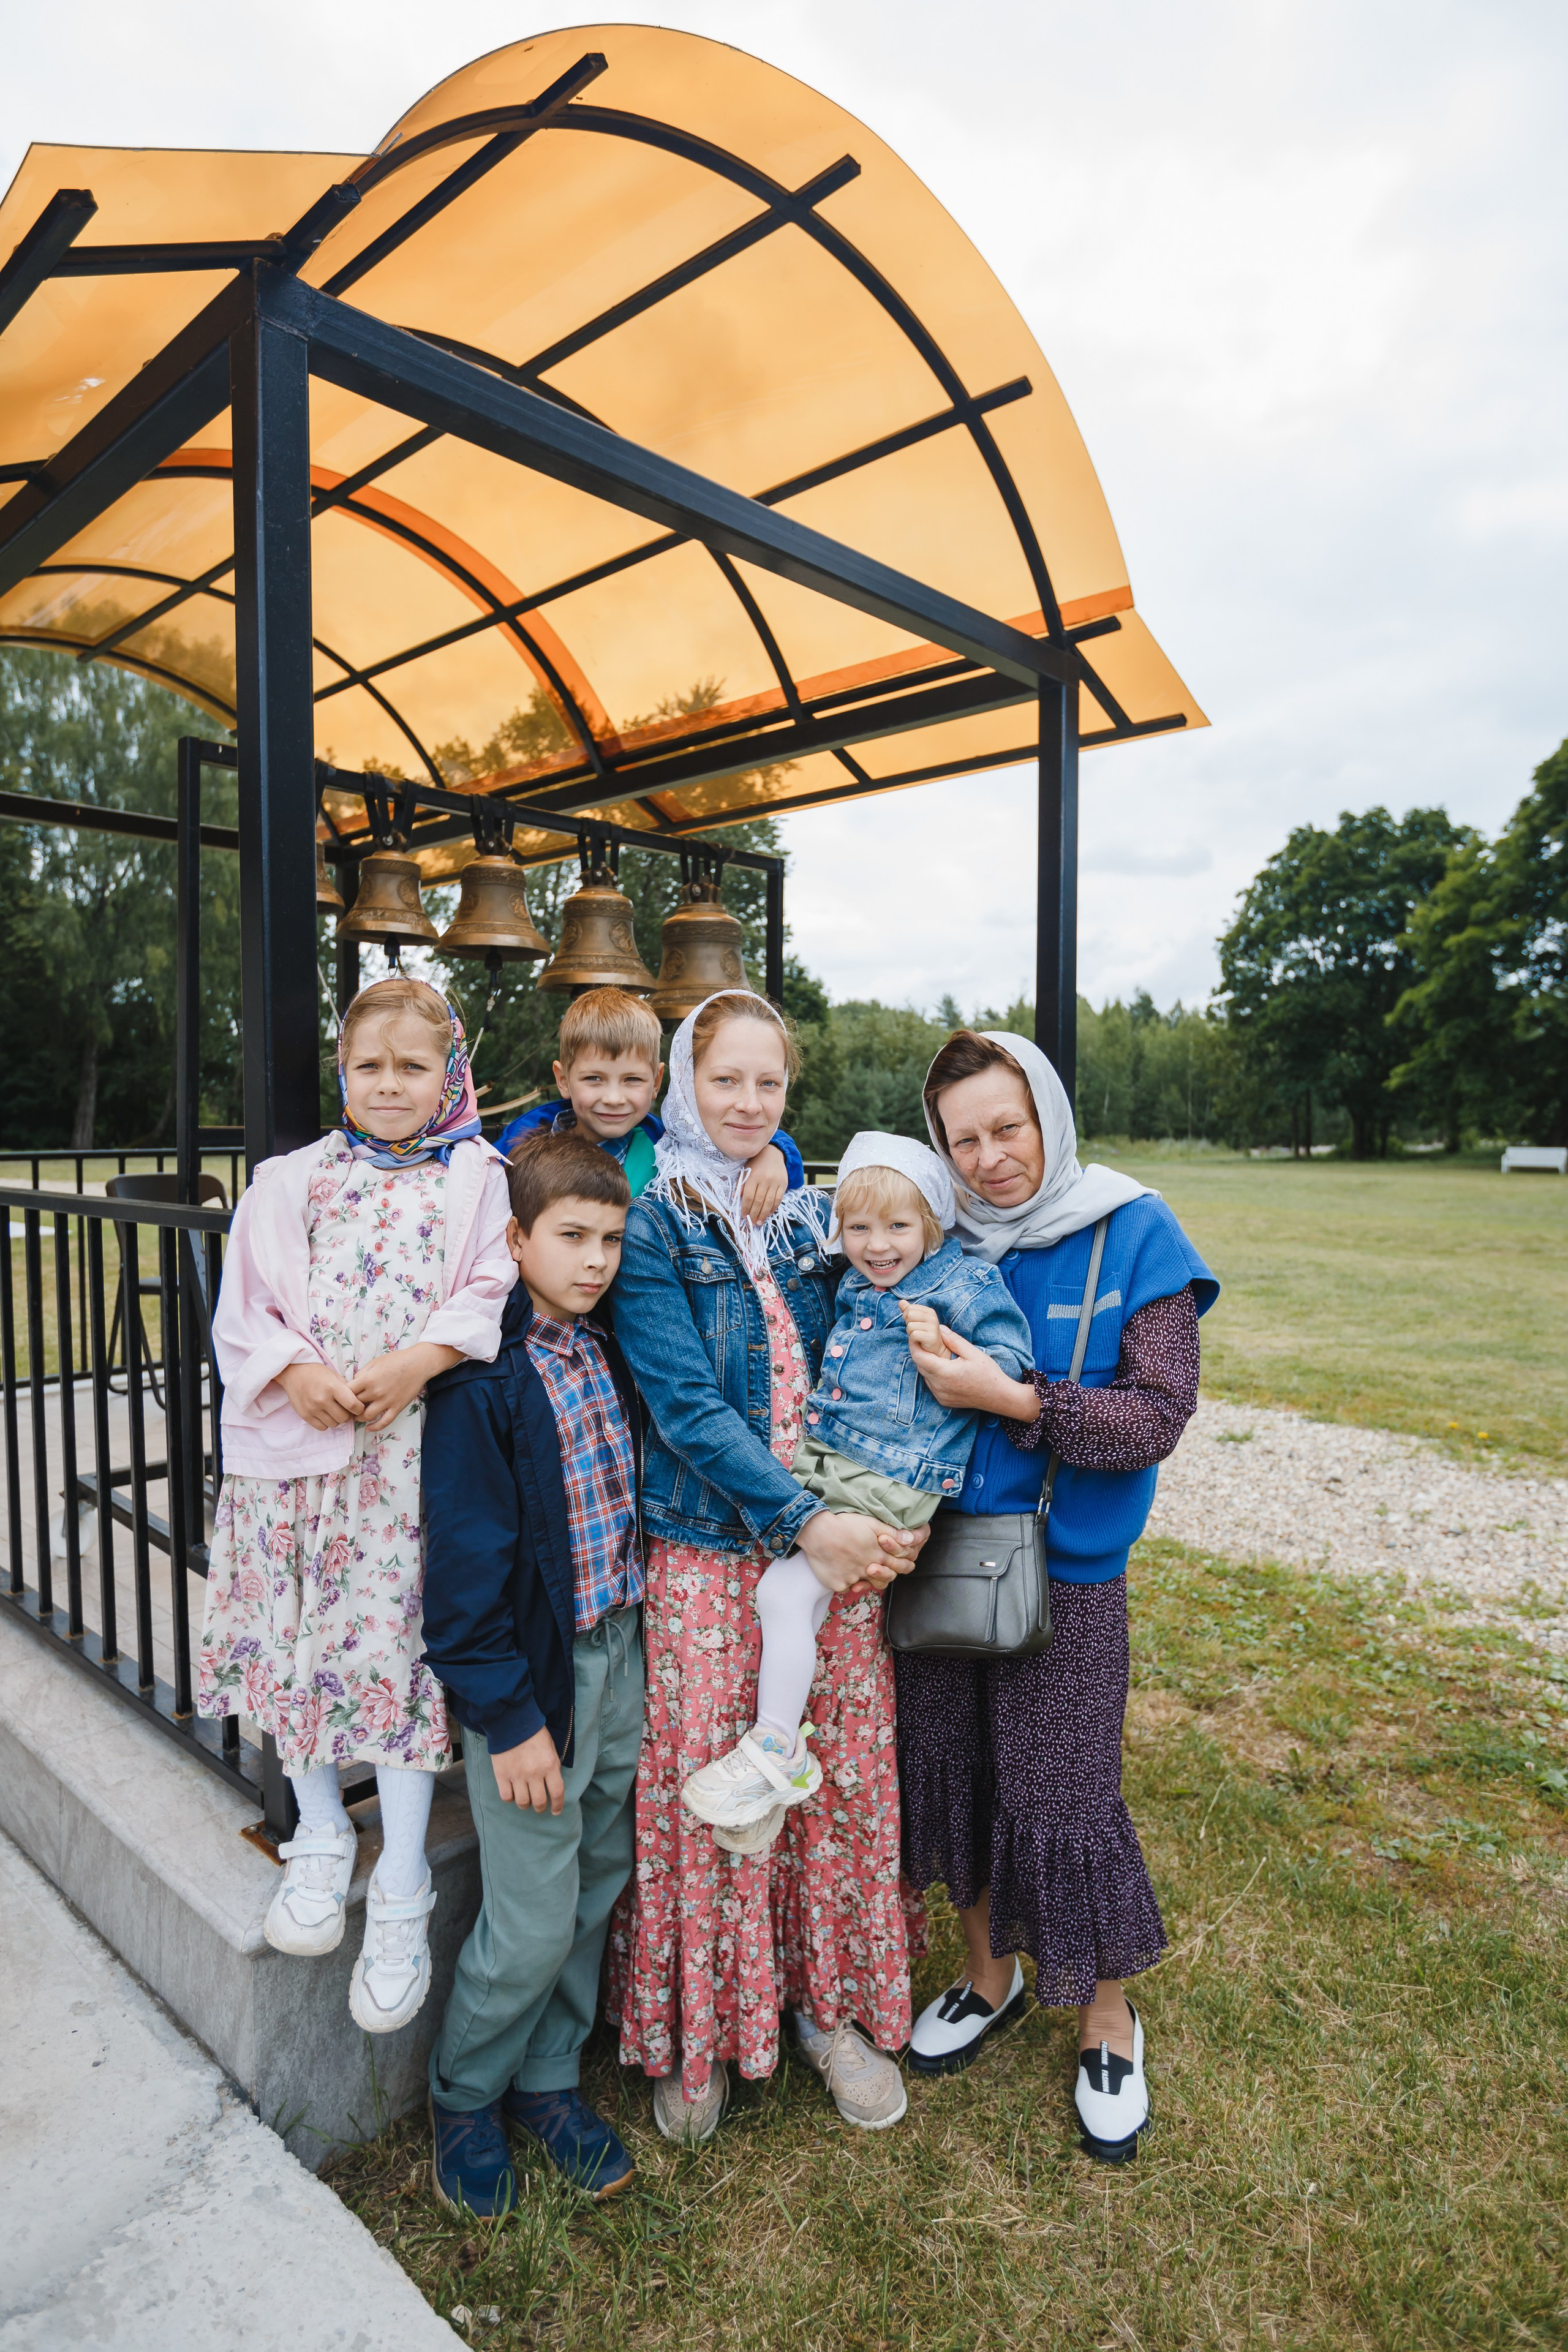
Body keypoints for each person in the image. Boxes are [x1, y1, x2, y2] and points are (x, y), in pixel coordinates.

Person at [894, 1029, 1218, 2162]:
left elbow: (1155, 1417)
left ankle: (1106, 2016)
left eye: (1007, 1129)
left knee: (1063, 1790)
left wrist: (1018, 1400)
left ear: (1050, 1117)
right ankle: (989, 1973)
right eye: (962, 1139)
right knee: (952, 1770)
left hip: (1066, 1573)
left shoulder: (1136, 1230)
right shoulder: (933, 1240)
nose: (987, 1159)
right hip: (933, 1561)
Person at [606, 991, 923, 2143]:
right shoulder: (655, 1220)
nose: (747, 1105)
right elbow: (685, 1403)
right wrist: (800, 1520)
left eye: (770, 1086)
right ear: (688, 1083)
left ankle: (823, 2007)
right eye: (726, 1081)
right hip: (716, 1543)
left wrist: (894, 1505)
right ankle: (704, 2028)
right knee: (715, 1783)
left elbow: (877, 1357)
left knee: (822, 1777)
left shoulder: (809, 1218)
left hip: (833, 1540)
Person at [198, 978, 515, 2032]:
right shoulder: (289, 1183)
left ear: (448, 1076)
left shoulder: (480, 1180)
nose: (389, 1085)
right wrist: (292, 1371)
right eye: (369, 1066)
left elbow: (488, 1292)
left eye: (411, 1068)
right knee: (295, 1637)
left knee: (392, 1651)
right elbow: (247, 1308)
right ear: (344, 1073)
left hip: (405, 1462)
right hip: (298, 1463)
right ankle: (323, 1830)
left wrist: (421, 1359)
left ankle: (404, 1883)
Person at [680, 1131, 1031, 1849]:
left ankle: (778, 1747)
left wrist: (951, 1353)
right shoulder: (856, 1279)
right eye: (859, 1227)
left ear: (933, 1224)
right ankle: (774, 1771)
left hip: (892, 1476)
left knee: (781, 1596)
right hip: (834, 1463)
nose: (877, 1244)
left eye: (898, 1226)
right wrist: (775, 1154)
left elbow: (1010, 1361)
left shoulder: (957, 1285)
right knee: (791, 1600)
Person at [418, 1132, 644, 2216]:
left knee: (599, 1879)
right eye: (571, 1237)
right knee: (532, 1913)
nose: (595, 1259)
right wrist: (508, 1718)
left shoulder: (606, 1352)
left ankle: (551, 2080)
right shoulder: (483, 1385)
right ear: (515, 1240)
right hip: (535, 1686)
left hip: (619, 1656)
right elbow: (463, 1583)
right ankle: (466, 2094)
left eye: (610, 1238)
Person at [495, 983, 805, 1208]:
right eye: (594, 1079)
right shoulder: (522, 1145)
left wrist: (775, 1151)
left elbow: (733, 1149)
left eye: (632, 1080)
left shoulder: (664, 1144)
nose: (614, 1098)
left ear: (657, 1081)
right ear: (563, 1080)